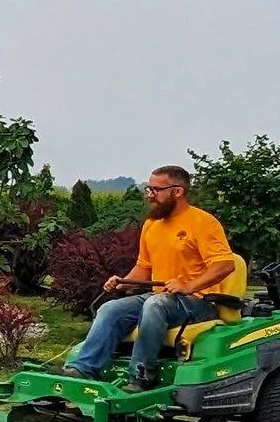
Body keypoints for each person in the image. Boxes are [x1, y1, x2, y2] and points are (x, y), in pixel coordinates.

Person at [63, 164, 245, 388]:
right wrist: (123, 283)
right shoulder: (152, 225)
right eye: (148, 189)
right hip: (159, 297)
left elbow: (225, 265)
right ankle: (83, 369)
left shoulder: (203, 222)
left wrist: (189, 286)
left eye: (155, 190)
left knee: (155, 304)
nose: (150, 195)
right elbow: (144, 268)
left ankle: (140, 376)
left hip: (198, 303)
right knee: (112, 309)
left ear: (177, 191)